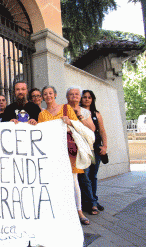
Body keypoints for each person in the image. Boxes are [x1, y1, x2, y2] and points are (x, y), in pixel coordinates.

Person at [37, 85, 91, 225]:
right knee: (56, 181)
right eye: (45, 94)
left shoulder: (66, 108)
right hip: (53, 150)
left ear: (55, 94)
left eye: (50, 93)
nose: (48, 96)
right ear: (42, 97)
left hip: (68, 148)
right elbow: (42, 133)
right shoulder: (42, 115)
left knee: (74, 180)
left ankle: (79, 211)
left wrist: (69, 122)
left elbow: (78, 126)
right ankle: (63, 211)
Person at [79, 90, 107, 215]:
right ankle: (90, 202)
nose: (87, 99)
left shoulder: (97, 114)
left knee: (92, 176)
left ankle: (94, 200)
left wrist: (104, 146)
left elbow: (102, 131)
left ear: (92, 99)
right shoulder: (78, 112)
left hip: (95, 149)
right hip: (84, 148)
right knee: (85, 176)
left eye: (89, 97)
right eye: (84, 97)